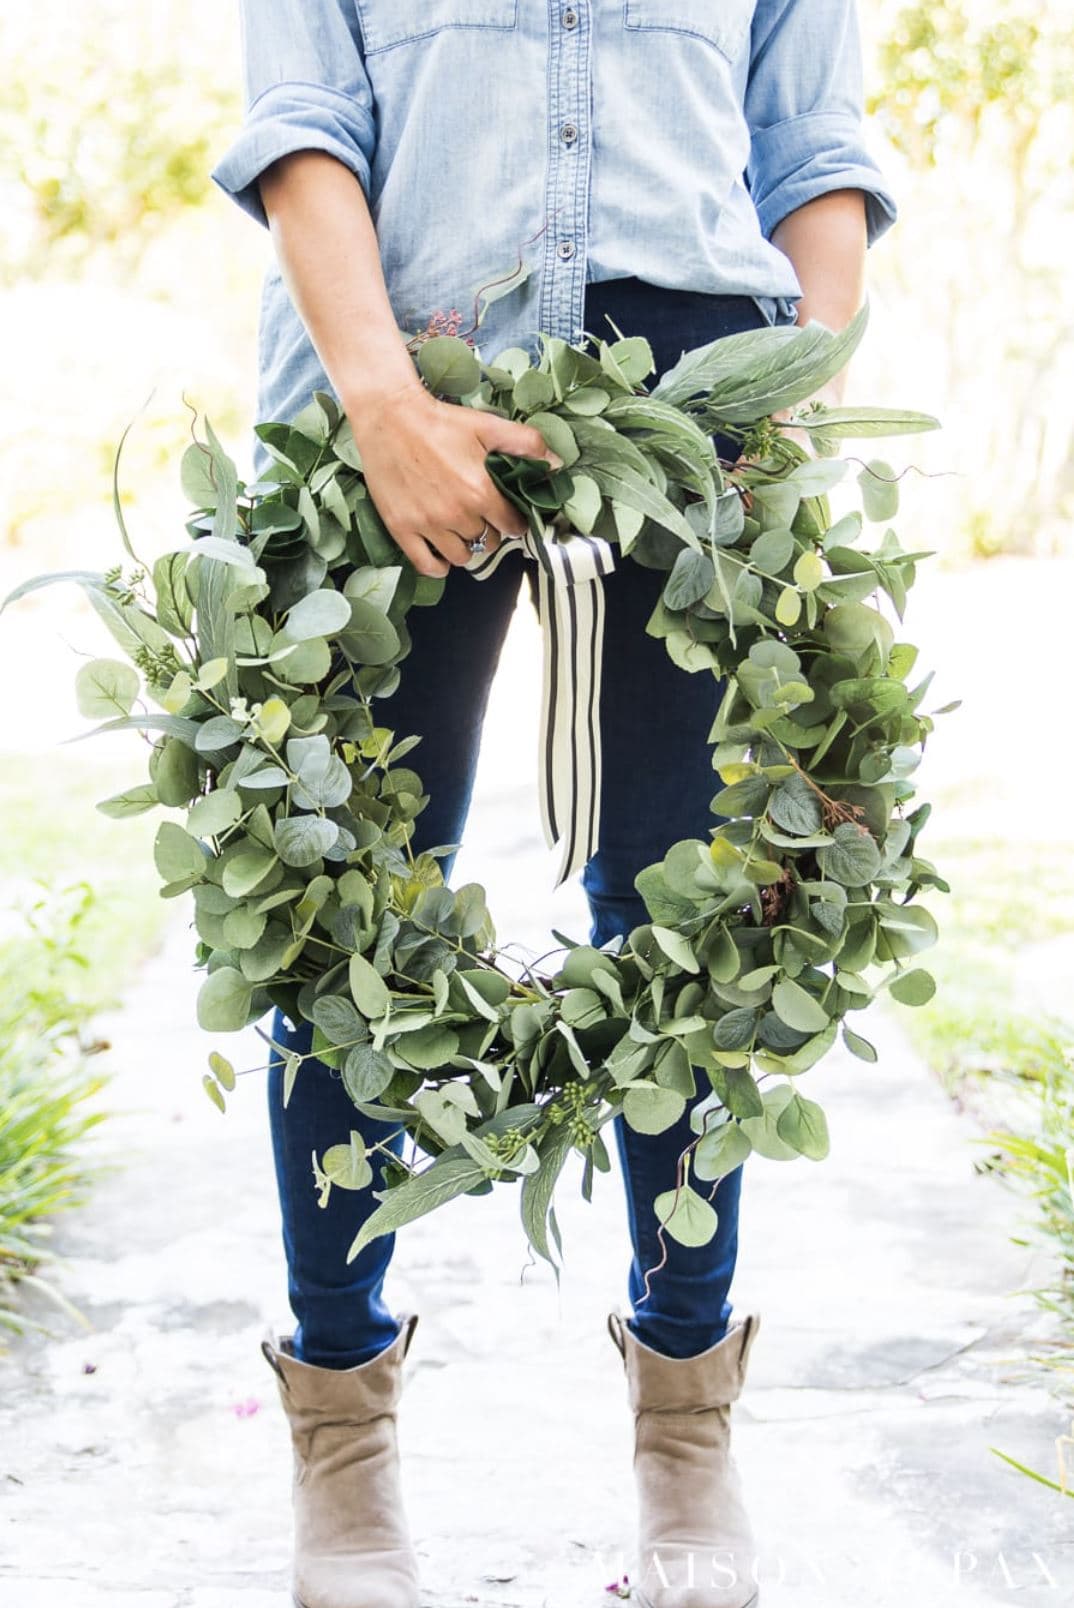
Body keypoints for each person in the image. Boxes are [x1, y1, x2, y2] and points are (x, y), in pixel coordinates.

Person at [209, 5, 897, 1605]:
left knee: (695, 925)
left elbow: (813, 147)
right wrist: (379, 402)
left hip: (697, 412)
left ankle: (684, 1427)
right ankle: (342, 1436)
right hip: (395, 384)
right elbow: (302, 119)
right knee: (343, 916)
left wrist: (788, 398)